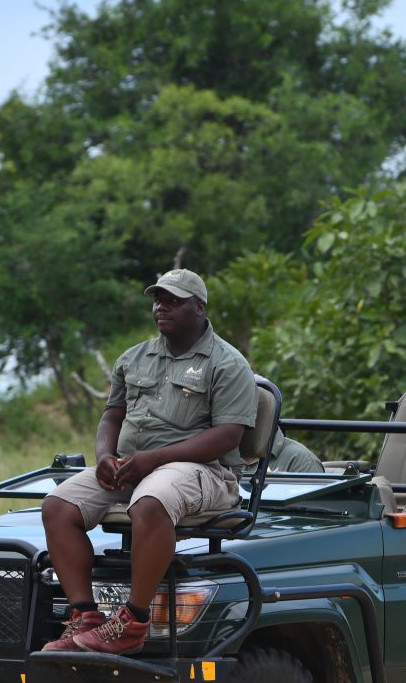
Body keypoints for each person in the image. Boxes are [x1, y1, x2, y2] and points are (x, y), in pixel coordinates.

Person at [40, 268, 258, 656]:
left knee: (150, 500)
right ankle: (85, 617)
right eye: (158, 300)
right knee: (59, 504)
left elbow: (227, 437)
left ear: (200, 307)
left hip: (206, 471)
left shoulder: (227, 363)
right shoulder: (134, 358)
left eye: (174, 301)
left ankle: (132, 621)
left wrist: (153, 459)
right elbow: (112, 416)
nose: (162, 308)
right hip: (135, 465)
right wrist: (105, 457)